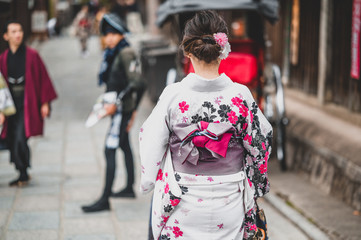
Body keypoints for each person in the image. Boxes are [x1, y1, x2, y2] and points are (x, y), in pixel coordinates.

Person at [139, 11, 273, 239]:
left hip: (181, 201)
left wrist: (149, 179)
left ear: (188, 50)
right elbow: (260, 145)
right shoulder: (241, 96)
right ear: (223, 50)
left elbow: (150, 141)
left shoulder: (174, 95)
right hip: (229, 205)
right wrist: (257, 185)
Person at [82, 13, 145, 213]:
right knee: (124, 146)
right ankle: (128, 188)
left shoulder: (125, 53)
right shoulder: (112, 53)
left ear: (120, 35)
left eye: (113, 34)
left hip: (120, 111)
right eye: (106, 34)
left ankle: (105, 199)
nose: (109, 38)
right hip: (119, 109)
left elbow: (138, 83)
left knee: (109, 149)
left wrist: (124, 107)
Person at [0, 20, 57, 187]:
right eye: (13, 31)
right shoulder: (3, 59)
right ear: (6, 36)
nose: (18, 34)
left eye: (20, 30)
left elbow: (43, 78)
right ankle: (22, 170)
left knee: (20, 137)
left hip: (28, 101)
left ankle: (23, 172)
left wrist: (44, 103)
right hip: (10, 104)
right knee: (12, 138)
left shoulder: (32, 55)